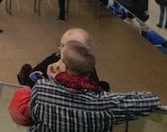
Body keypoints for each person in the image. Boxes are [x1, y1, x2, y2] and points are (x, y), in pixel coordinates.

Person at [29, 41, 160, 130]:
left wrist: (51, 79)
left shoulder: (41, 89)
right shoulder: (103, 103)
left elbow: (33, 116)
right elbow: (151, 100)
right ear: (88, 73)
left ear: (63, 67)